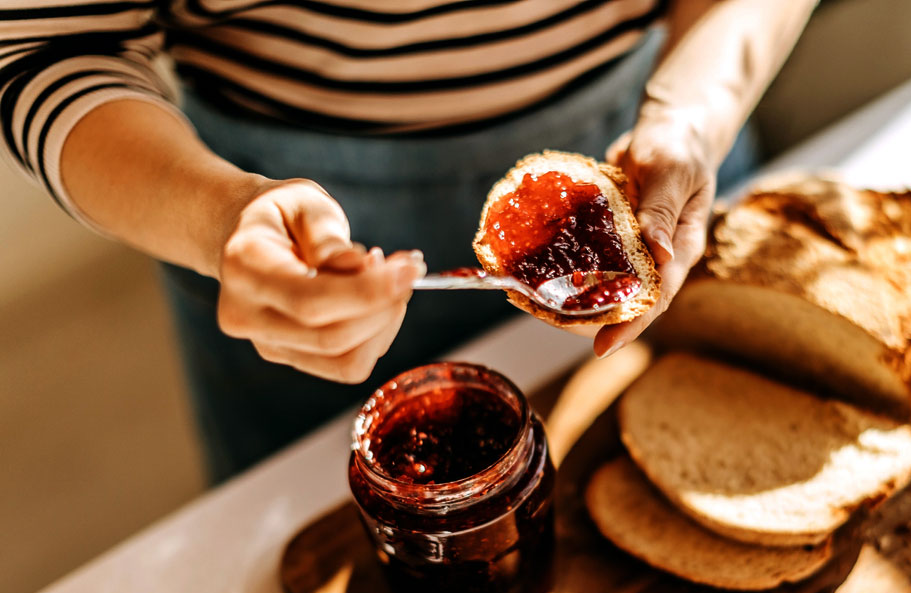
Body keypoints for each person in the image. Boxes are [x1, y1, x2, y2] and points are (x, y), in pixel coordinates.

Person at [0, 0, 817, 482]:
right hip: (278, 237)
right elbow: (53, 49)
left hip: (657, 165)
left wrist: (692, 115)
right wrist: (221, 218)